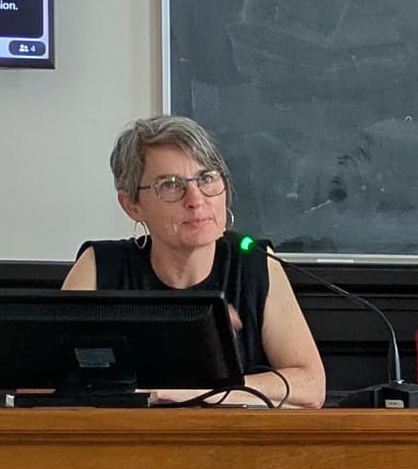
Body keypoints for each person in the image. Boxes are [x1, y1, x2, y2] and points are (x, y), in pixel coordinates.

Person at [63, 115, 326, 407]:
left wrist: (196, 392)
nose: (196, 199)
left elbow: (311, 386)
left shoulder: (254, 264)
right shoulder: (101, 268)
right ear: (132, 205)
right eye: (171, 185)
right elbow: (38, 385)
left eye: (207, 178)